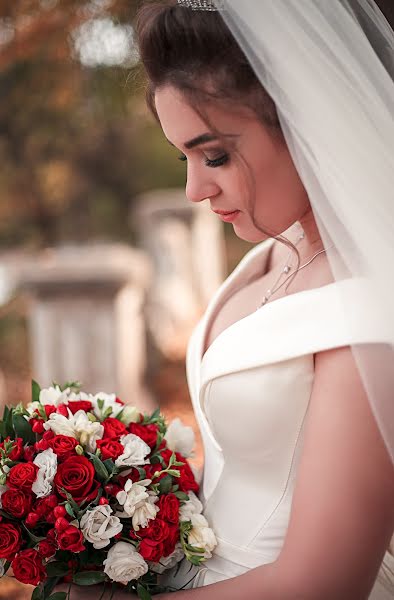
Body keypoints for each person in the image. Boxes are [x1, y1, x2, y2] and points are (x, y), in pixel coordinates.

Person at [57, 0, 394, 598]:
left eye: (214, 156)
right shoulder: (272, 254)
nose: (192, 189)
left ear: (305, 118)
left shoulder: (369, 316)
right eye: (182, 156)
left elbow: (324, 582)